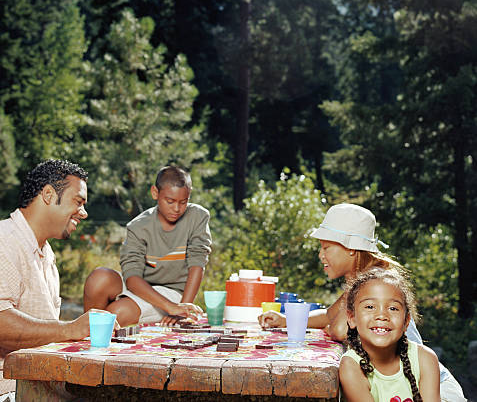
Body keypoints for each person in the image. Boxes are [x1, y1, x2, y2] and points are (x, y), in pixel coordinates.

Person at [258, 203, 466, 402]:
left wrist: (334, 325)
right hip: (393, 386)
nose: (321, 255)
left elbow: (339, 329)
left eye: (327, 247)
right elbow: (331, 315)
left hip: (428, 387)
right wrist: (285, 320)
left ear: (350, 248)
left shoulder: (375, 281)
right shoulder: (360, 279)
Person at [0, 159, 101, 402]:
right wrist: (70, 329)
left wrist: (82, 331)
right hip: (1, 390)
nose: (84, 212)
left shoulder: (46, 253)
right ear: (48, 194)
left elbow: (44, 328)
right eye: (78, 202)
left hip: (38, 384)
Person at [83, 165, 212, 327]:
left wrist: (182, 309)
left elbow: (197, 265)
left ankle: (95, 333)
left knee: (114, 314)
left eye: (183, 202)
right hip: (142, 288)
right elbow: (132, 278)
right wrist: (169, 307)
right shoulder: (138, 226)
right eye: (170, 201)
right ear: (155, 193)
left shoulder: (197, 216)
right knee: (98, 278)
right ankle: (87, 336)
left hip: (173, 293)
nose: (177, 209)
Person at [339, 267, 440, 402]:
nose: (381, 316)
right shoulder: (351, 366)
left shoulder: (425, 359)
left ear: (406, 322)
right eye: (370, 307)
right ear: (352, 318)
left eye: (393, 308)